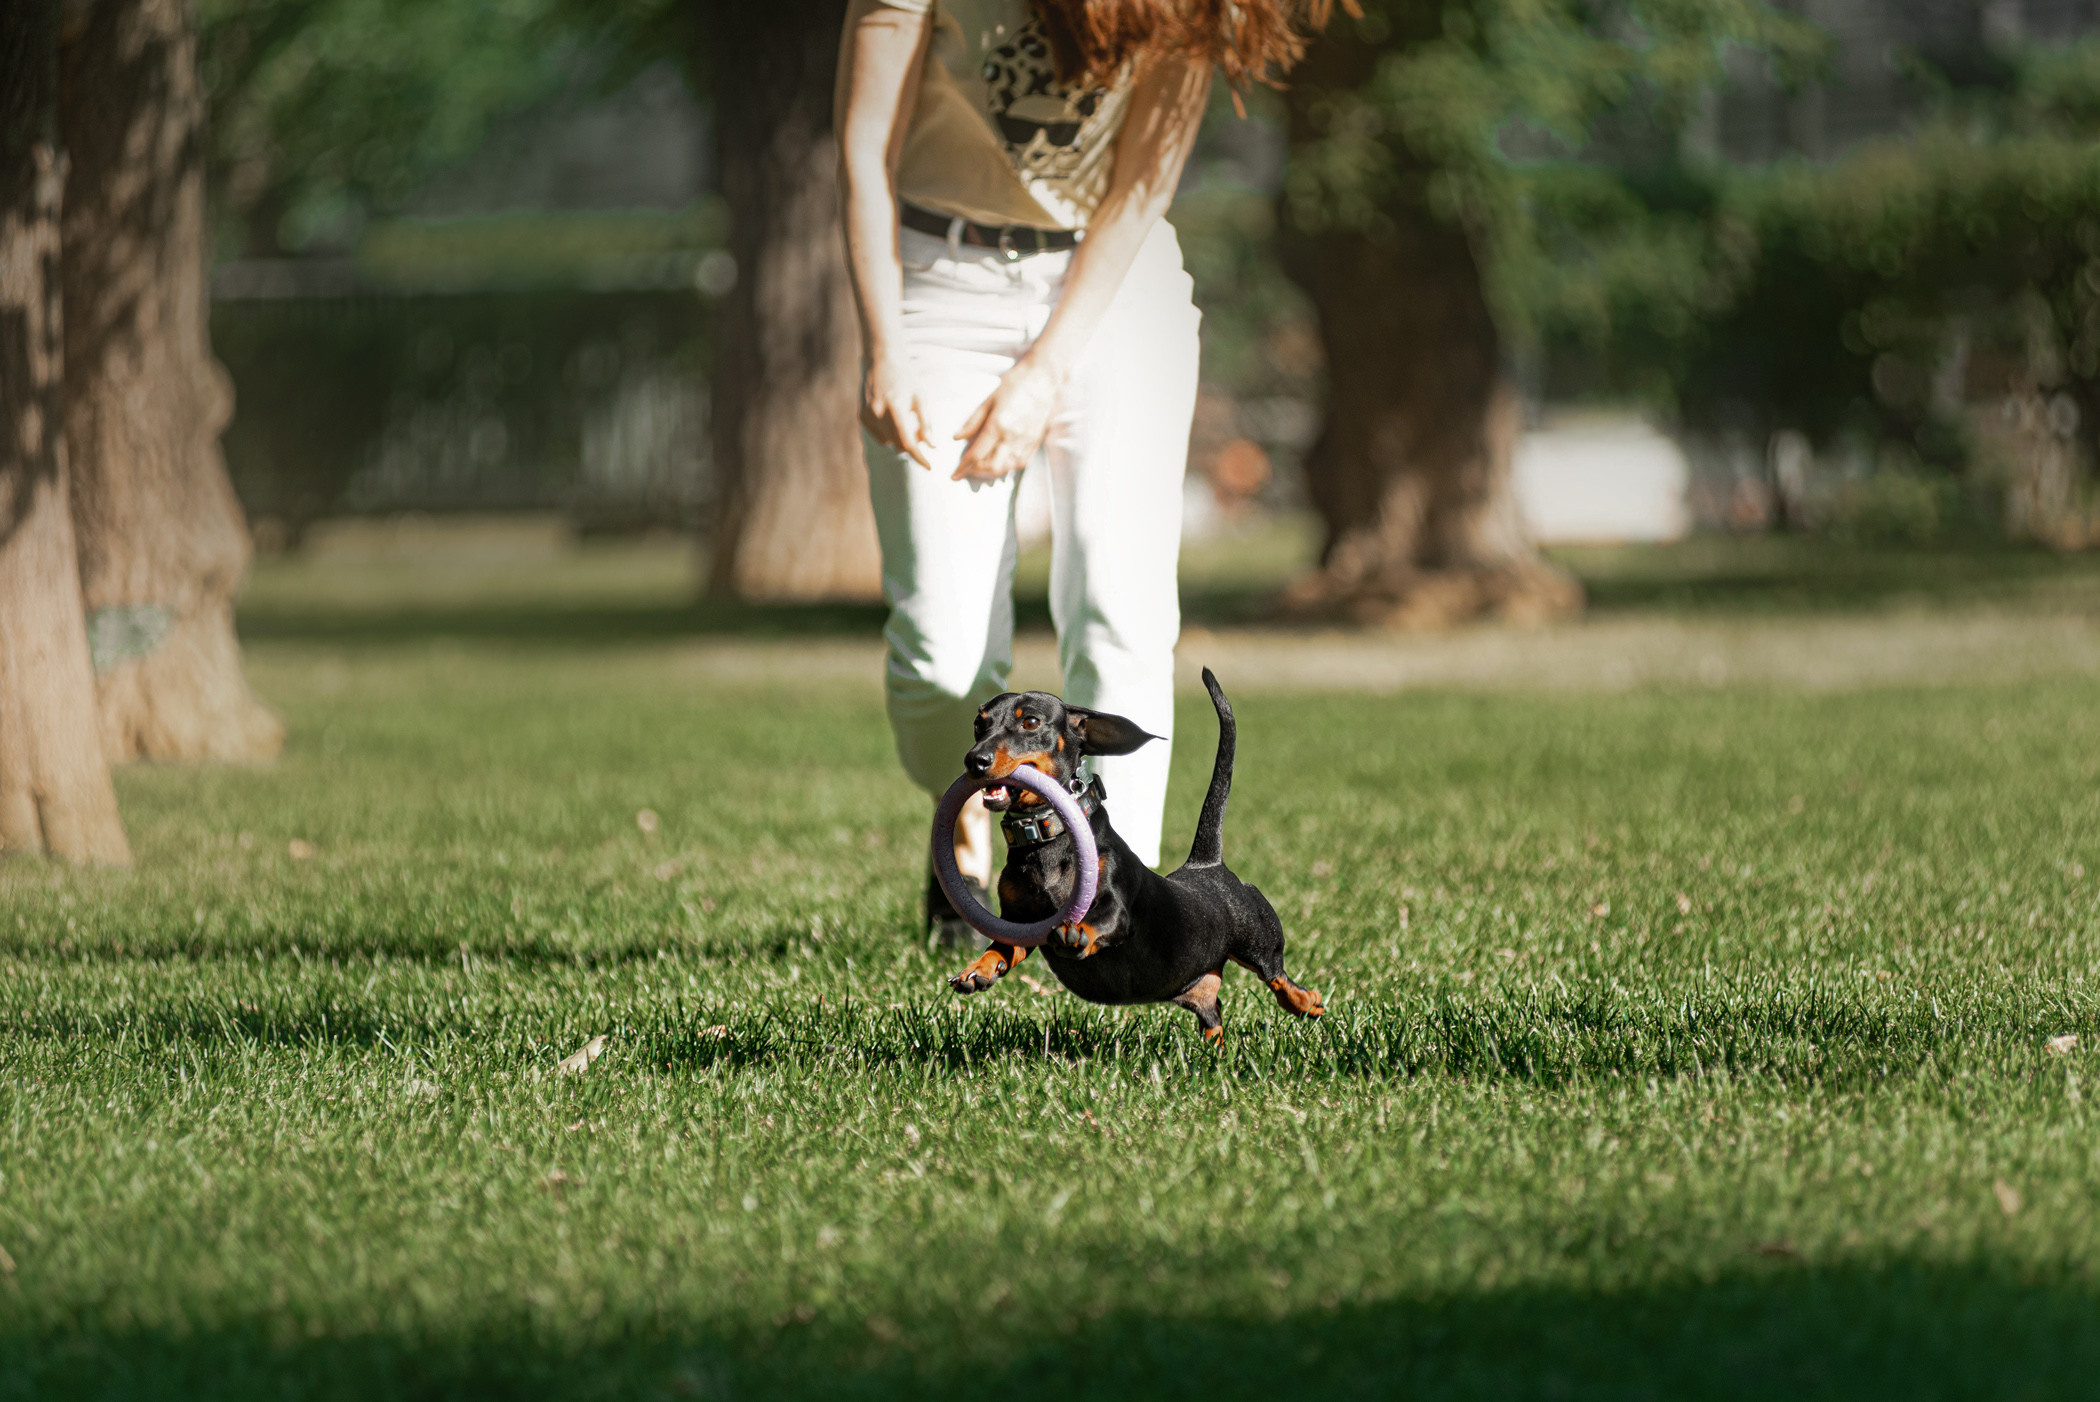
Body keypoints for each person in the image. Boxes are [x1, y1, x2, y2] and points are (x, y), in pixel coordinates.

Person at [837, 0, 1331, 943]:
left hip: (1114, 292)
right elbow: (863, 147)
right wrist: (881, 342)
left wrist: (1045, 370)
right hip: (941, 285)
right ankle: (969, 836)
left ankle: (1113, 915)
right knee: (940, 656)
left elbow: (1139, 187)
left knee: (1120, 614)